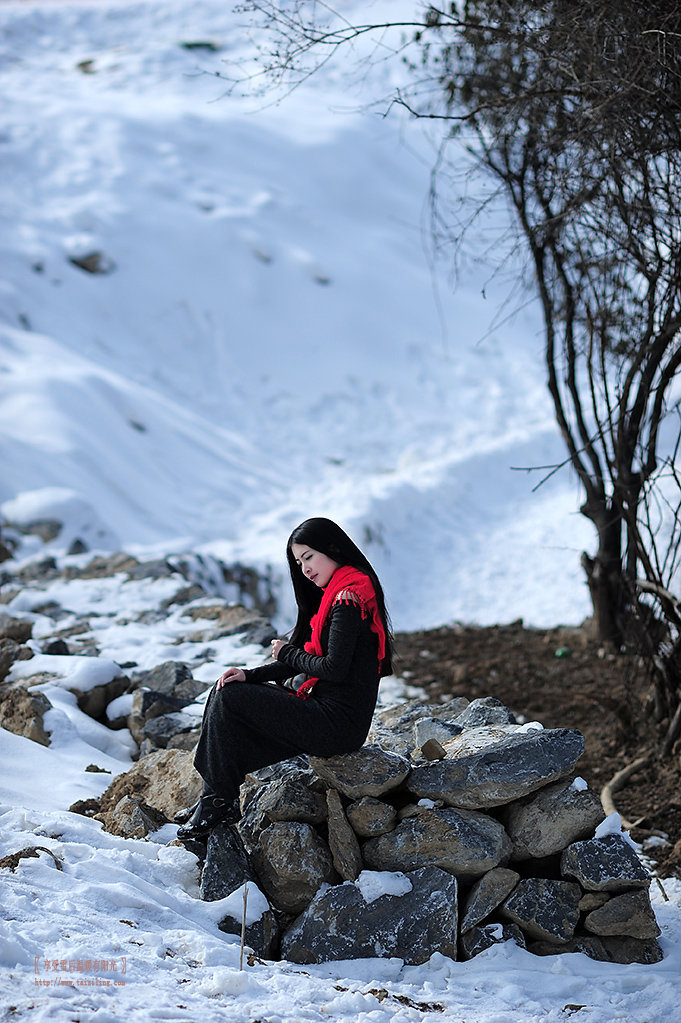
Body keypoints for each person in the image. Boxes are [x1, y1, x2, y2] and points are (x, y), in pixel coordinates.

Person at [176, 517, 393, 841]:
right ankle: (216, 798)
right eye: (298, 561)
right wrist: (249, 674)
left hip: (337, 725)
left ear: (333, 549)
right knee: (227, 689)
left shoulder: (349, 597)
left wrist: (286, 654)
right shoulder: (336, 594)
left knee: (230, 699)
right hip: (325, 712)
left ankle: (216, 801)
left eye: (309, 557)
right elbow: (308, 656)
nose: (304, 569)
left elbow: (332, 667)